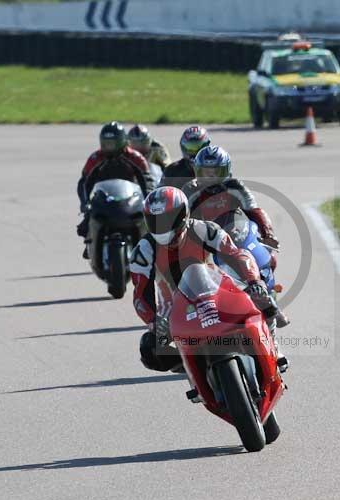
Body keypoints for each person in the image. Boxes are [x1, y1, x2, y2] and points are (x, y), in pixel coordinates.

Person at [130, 186, 280, 372]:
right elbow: (140, 296)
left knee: (265, 301)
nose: (163, 226)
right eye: (156, 221)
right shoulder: (144, 250)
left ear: (183, 214)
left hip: (218, 292)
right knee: (150, 348)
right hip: (174, 311)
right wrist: (154, 320)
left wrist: (254, 282)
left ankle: (273, 350)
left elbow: (238, 255)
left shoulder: (204, 230)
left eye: (168, 219)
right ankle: (191, 368)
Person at [182, 145, 289, 328]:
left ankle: (271, 302)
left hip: (236, 235)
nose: (210, 177)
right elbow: (180, 217)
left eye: (215, 172)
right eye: (205, 172)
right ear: (197, 171)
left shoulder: (235, 186)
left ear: (226, 170)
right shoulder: (190, 191)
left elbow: (254, 209)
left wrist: (268, 233)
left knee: (269, 258)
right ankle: (190, 312)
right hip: (204, 241)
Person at [76, 122, 155, 250]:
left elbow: (147, 179)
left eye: (112, 143)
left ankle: (148, 247)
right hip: (103, 198)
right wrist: (84, 202)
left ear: (122, 141)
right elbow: (84, 181)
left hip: (130, 199)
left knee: (150, 222)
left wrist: (148, 198)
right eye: (106, 143)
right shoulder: (96, 157)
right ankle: (91, 242)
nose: (109, 147)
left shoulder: (135, 157)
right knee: (87, 222)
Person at [160, 125, 211, 190]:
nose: (194, 153)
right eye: (190, 148)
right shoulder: (172, 171)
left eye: (197, 147)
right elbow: (161, 194)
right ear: (183, 147)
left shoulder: (216, 169)